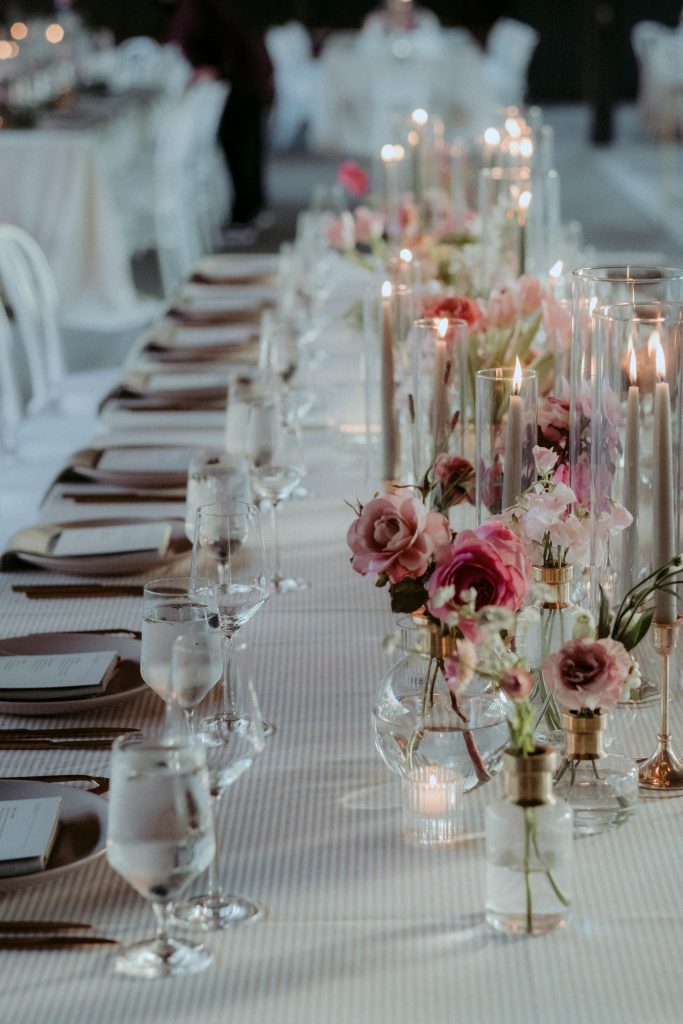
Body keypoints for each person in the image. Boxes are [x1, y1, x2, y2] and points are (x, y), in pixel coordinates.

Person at [170, 0, 274, 241]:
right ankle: (252, 209)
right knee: (247, 148)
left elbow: (229, 39)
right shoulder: (196, 8)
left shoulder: (201, 8)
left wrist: (217, 69)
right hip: (242, 79)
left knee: (242, 151)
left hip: (240, 81)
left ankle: (245, 215)